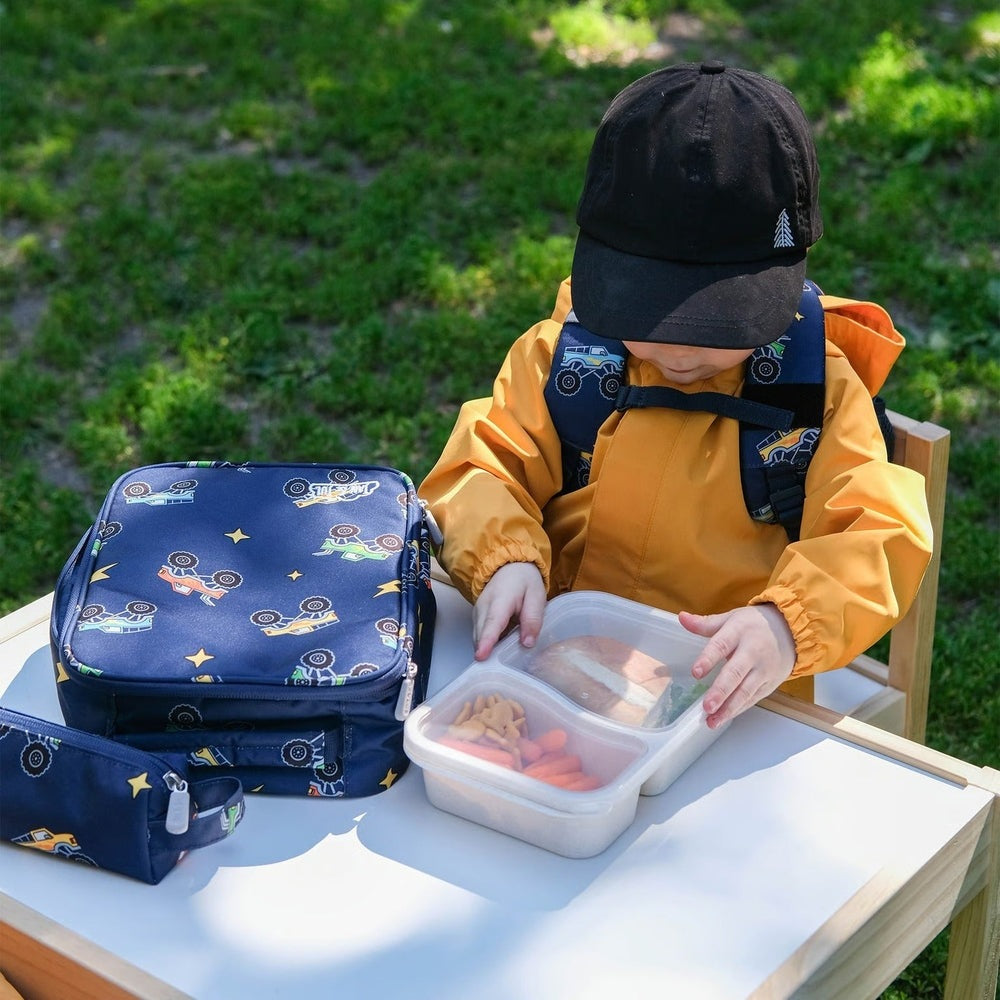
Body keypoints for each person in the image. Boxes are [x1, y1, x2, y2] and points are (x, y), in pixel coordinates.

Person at [419, 63, 933, 730]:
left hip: (732, 700)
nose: (682, 352)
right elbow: (482, 470)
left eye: (721, 328)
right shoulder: (563, 362)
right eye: (649, 317)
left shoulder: (820, 392)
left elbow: (878, 532)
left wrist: (785, 625)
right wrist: (503, 560)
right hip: (550, 669)